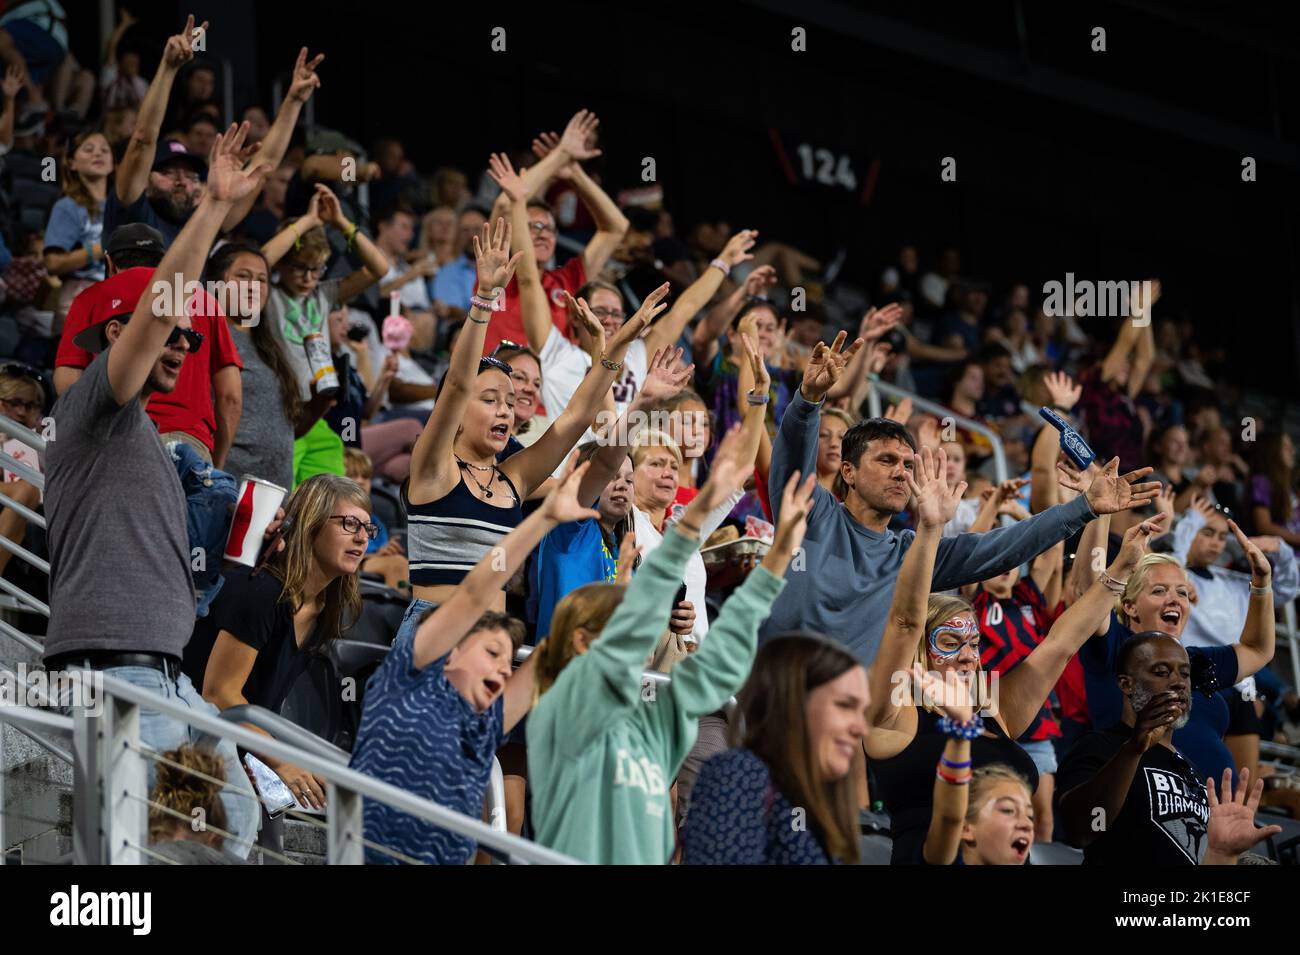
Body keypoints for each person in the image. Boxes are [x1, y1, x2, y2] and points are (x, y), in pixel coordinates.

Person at [42, 123, 269, 855]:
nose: (185, 345)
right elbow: (157, 311)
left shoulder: (142, 438)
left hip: (167, 676)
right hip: (113, 671)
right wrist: (210, 210)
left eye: (194, 339)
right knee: (126, 854)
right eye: (172, 334)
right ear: (120, 335)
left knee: (228, 834)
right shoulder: (92, 413)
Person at [763, 330, 1161, 664]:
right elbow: (794, 459)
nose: (902, 471)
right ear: (847, 472)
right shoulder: (812, 514)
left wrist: (1084, 507)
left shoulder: (910, 554)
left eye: (907, 462)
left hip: (842, 725)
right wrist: (808, 400)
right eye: (886, 460)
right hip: (768, 700)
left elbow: (1003, 546)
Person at [867, 446, 1168, 864]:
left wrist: (1121, 569)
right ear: (921, 652)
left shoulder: (993, 707)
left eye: (974, 645)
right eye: (950, 644)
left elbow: (1060, 645)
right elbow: (903, 621)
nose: (969, 658)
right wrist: (932, 530)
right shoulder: (892, 706)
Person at [527, 430, 813, 864]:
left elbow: (718, 651)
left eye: (627, 475)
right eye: (614, 475)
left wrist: (779, 556)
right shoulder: (573, 533)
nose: (620, 483)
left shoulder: (655, 725)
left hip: (640, 693)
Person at [396, 209, 669, 643]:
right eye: (490, 400)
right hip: (434, 636)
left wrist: (618, 358)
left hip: (495, 642)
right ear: (458, 413)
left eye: (510, 402)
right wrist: (485, 299)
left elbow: (577, 417)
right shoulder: (433, 468)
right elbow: (458, 382)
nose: (506, 411)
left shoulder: (512, 480)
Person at [349, 459, 597, 864]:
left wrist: (623, 588)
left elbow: (554, 652)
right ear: (452, 653)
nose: (503, 670)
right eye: (493, 654)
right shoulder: (403, 682)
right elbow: (473, 593)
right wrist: (544, 519)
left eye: (505, 664)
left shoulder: (482, 728)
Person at [184, 474, 372, 807]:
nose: (362, 538)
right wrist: (282, 761)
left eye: (367, 530)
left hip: (245, 747)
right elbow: (218, 692)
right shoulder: (263, 591)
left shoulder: (325, 609)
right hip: (195, 736)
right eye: (349, 524)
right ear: (311, 523)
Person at [1074, 493, 1276, 785]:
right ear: (1129, 606)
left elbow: (1257, 650)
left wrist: (1261, 582)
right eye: (1159, 591)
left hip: (1212, 820)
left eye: (1182, 592)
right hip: (1142, 813)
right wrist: (1098, 511)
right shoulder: (1116, 646)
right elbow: (1088, 595)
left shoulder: (1196, 661)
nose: (1174, 600)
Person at [1058, 632, 1283, 865]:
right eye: (1161, 672)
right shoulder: (1100, 746)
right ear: (1127, 684)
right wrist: (1133, 750)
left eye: (1185, 674)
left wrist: (1221, 854)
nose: (1178, 682)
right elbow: (1083, 830)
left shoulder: (1190, 769)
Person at [55, 223, 244, 467]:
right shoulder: (205, 300)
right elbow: (231, 397)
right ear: (164, 261)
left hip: (114, 438)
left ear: (110, 263)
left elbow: (68, 381)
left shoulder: (91, 297)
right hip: (187, 443)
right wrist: (214, 465)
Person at [680, 634, 869, 865]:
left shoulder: (822, 794)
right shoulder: (740, 773)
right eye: (845, 706)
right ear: (794, 702)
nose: (861, 728)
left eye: (863, 712)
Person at [259, 184, 390, 485]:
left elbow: (379, 267)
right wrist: (306, 221)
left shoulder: (324, 294)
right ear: (283, 265)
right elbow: (262, 259)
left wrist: (341, 223)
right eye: (300, 268)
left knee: (329, 490)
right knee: (283, 496)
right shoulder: (267, 295)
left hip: (315, 412)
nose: (308, 278)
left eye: (316, 269)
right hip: (278, 413)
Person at [1169, 495, 1298, 781]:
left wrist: (1282, 550)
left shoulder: (1237, 584)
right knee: (1195, 777)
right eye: (1207, 533)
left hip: (1241, 686)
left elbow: (1288, 589)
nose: (1215, 542)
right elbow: (1173, 565)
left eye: (1221, 536)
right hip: (1195, 685)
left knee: (1241, 785)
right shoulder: (1178, 582)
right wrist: (1190, 522)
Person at [479, 111, 629, 355]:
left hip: (548, 391)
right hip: (494, 384)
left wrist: (573, 172)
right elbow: (507, 204)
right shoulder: (496, 271)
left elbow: (616, 227)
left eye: (549, 227)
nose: (543, 234)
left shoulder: (567, 281)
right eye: (533, 226)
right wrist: (561, 154)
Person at [42, 129, 111, 329]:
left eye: (104, 150)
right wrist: (100, 248)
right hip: (77, 299)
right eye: (88, 150)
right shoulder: (68, 206)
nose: (97, 154)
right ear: (72, 163)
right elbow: (53, 263)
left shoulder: (120, 207)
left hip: (114, 299)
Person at [343, 447, 407, 591]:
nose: (360, 481)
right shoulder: (337, 515)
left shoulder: (375, 521)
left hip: (371, 562)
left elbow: (380, 551)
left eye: (366, 477)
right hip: (354, 561)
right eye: (352, 475)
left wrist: (386, 550)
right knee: (398, 565)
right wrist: (376, 555)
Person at [1249, 431, 1300, 547]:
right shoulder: (1262, 482)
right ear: (1272, 451)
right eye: (1286, 448)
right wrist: (1297, 539)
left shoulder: (1289, 486)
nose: (1293, 452)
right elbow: (1264, 527)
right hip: (1274, 555)